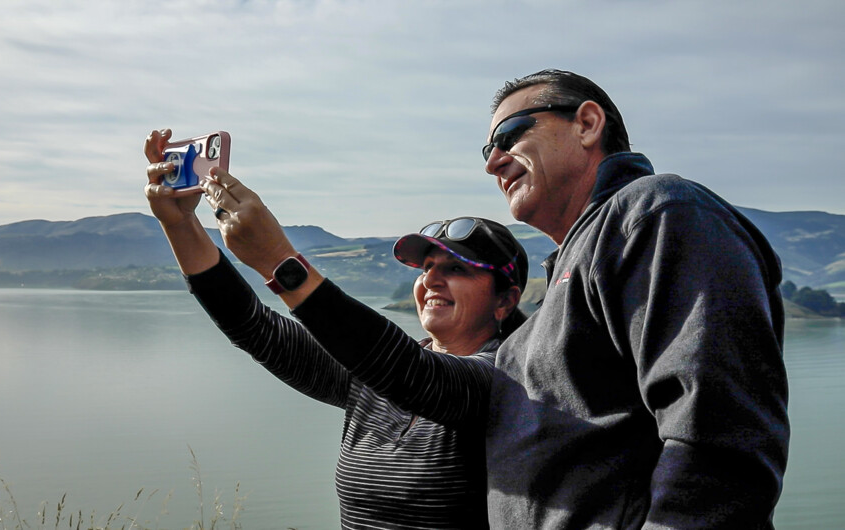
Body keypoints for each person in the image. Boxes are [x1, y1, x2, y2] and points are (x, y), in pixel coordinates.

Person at [202, 69, 790, 529]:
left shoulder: (654, 213)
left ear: (588, 124)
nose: (492, 161)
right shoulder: (565, 284)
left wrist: (283, 264)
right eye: (486, 148)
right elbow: (281, 336)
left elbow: (719, 442)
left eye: (510, 135)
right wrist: (184, 225)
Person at [143, 129, 529, 530]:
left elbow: (412, 374)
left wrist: (280, 260)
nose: (431, 280)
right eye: (428, 268)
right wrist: (180, 223)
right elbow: (253, 326)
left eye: (457, 270)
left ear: (505, 300)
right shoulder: (372, 380)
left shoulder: (507, 385)